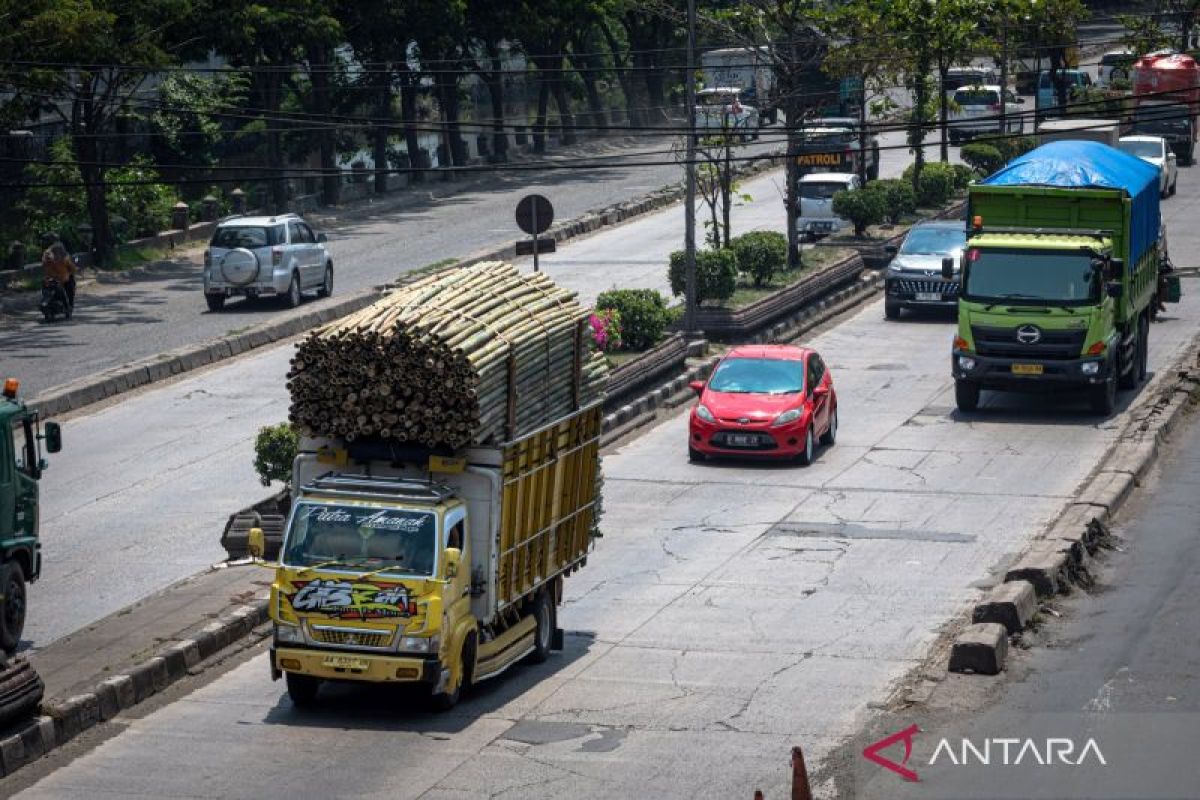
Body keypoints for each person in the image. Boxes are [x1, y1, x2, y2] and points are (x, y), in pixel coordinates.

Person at [41, 236, 77, 311]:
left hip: (49, 279)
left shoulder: (46, 255)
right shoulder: (64, 257)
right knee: (70, 286)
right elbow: (72, 268)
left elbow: (43, 265)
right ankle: (70, 305)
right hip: (62, 279)